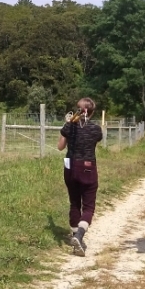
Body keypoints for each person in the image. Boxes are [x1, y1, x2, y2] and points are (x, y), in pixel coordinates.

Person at [57, 97, 103, 257]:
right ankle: (79, 235)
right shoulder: (96, 129)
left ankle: (76, 236)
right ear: (91, 112)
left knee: (74, 203)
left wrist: (68, 124)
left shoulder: (69, 127)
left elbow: (60, 146)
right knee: (88, 206)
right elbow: (94, 140)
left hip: (70, 166)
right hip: (88, 167)